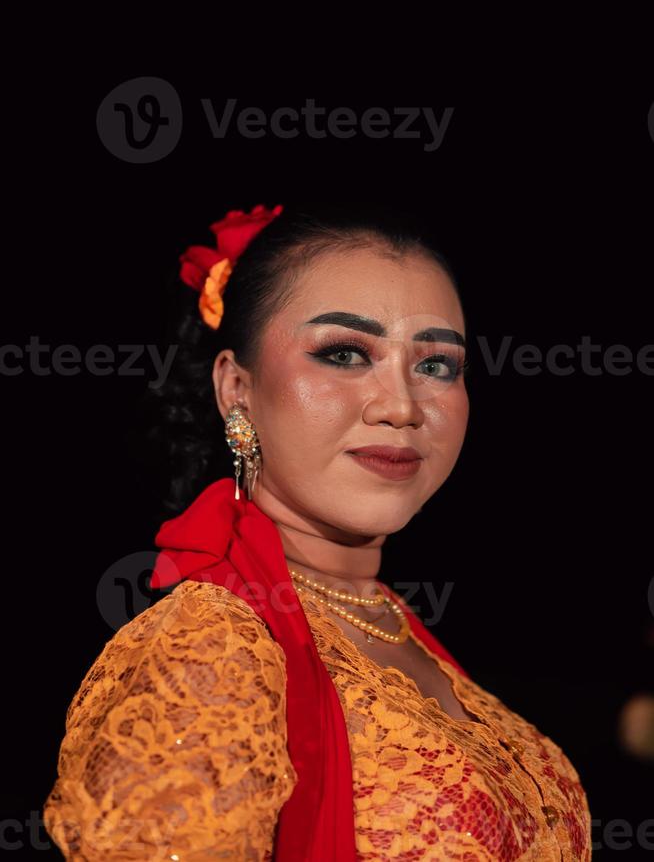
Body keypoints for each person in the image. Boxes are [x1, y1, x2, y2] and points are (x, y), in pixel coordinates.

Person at [43, 202, 592, 860]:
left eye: (437, 365)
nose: (401, 406)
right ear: (236, 390)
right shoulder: (208, 649)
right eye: (344, 353)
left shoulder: (388, 623)